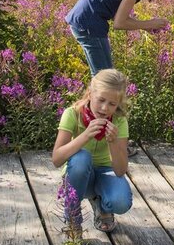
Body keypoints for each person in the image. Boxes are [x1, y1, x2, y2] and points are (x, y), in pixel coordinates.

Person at [52, 69, 133, 236]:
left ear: (118, 104)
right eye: (101, 100)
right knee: (82, 157)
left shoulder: (119, 121)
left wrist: (112, 143)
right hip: (79, 175)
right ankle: (73, 220)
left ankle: (102, 206)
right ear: (90, 94)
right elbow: (57, 159)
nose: (104, 108)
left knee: (121, 202)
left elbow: (120, 170)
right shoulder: (72, 114)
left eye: (112, 104)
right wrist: (85, 135)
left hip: (106, 171)